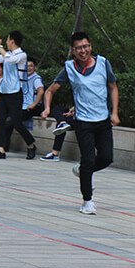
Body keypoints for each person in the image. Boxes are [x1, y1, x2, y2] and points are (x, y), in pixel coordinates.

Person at [42, 32, 120, 215]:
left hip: (103, 120)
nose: (83, 51)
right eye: (78, 48)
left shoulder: (103, 63)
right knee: (88, 159)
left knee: (106, 158)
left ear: (90, 46)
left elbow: (113, 87)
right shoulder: (69, 68)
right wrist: (46, 108)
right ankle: (87, 201)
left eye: (86, 46)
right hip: (83, 123)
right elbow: (50, 91)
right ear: (73, 50)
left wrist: (115, 112)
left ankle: (81, 170)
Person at [0, 30, 37, 160]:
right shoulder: (7, 53)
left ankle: (31, 145)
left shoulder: (21, 55)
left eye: (7, 40)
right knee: (0, 120)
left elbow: (10, 60)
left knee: (16, 122)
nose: (6, 42)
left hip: (15, 93)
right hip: (4, 91)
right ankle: (1, 150)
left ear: (12, 41)